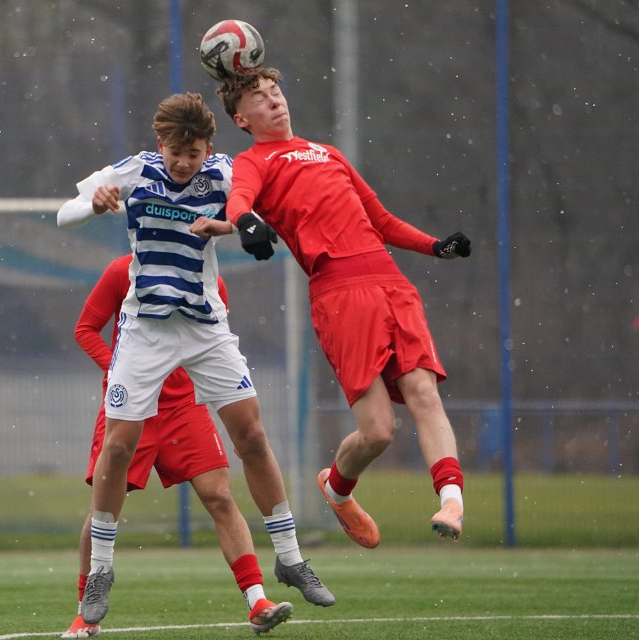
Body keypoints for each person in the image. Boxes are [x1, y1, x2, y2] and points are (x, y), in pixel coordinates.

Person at [57, 92, 332, 632]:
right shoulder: (135, 171)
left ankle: (290, 557)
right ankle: (101, 571)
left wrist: (232, 226)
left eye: (194, 153)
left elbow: (265, 219)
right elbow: (65, 214)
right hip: (146, 331)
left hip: (205, 329)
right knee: (118, 445)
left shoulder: (224, 174)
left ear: (209, 148)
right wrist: (94, 202)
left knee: (252, 436)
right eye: (176, 152)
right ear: (161, 144)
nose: (185, 163)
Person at [192, 68, 470, 549]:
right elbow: (240, 202)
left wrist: (434, 247)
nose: (274, 101)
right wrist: (245, 223)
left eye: (276, 91)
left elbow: (381, 221)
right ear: (242, 119)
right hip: (339, 294)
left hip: (390, 282)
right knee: (378, 432)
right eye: (260, 98)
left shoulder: (328, 153)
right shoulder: (254, 161)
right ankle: (337, 489)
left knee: (424, 392)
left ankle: (451, 500)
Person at [64, 254, 324, 638]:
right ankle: (86, 614)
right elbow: (85, 329)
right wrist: (121, 373)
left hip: (184, 407)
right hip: (130, 407)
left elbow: (212, 347)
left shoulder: (211, 281)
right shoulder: (123, 271)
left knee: (220, 496)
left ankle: (257, 601)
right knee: (103, 508)